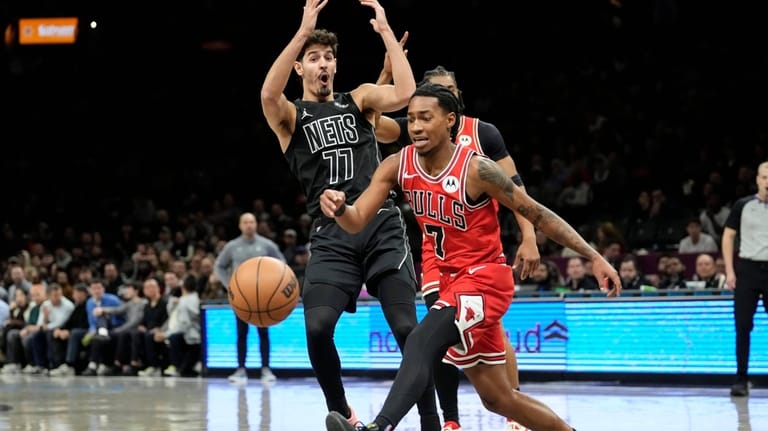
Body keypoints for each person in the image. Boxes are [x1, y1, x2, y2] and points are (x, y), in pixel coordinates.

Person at [320, 83, 622, 431]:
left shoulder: (477, 169)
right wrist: (340, 208)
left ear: (450, 121)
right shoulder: (395, 166)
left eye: (426, 118)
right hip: (450, 281)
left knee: (420, 339)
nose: (415, 127)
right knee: (498, 399)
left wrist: (593, 255)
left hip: (486, 279)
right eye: (412, 119)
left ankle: (377, 427)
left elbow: (538, 214)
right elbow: (356, 221)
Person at [260, 0, 439, 429]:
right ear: (301, 68)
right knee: (318, 327)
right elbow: (268, 93)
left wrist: (386, 33)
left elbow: (404, 95)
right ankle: (345, 415)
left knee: (405, 331)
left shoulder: (357, 99)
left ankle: (432, 424)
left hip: (380, 226)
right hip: (331, 234)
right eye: (314, 59)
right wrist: (303, 33)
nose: (323, 63)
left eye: (328, 57)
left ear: (335, 66)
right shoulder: (290, 118)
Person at [376, 63, 539, 431]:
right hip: (438, 252)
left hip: (481, 250)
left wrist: (529, 237)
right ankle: (450, 420)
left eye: (444, 90)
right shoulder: (417, 129)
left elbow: (516, 187)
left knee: (466, 332)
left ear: (454, 104)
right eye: (429, 90)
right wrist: (383, 79)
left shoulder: (483, 134)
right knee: (435, 332)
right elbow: (370, 120)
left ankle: (513, 410)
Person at [214, 212, 284, 384]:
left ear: (257, 224)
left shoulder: (267, 245)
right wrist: (230, 286)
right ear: (240, 225)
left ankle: (266, 369)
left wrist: (275, 285)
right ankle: (240, 370)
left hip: (264, 297)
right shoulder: (232, 246)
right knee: (241, 334)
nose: (249, 225)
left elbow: (282, 264)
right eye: (245, 222)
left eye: (252, 222)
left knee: (263, 333)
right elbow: (219, 266)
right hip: (242, 299)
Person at [722, 161, 768, 397]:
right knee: (742, 326)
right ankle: (741, 378)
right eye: (764, 177)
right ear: (758, 179)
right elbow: (728, 236)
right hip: (748, 269)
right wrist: (730, 271)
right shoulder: (743, 205)